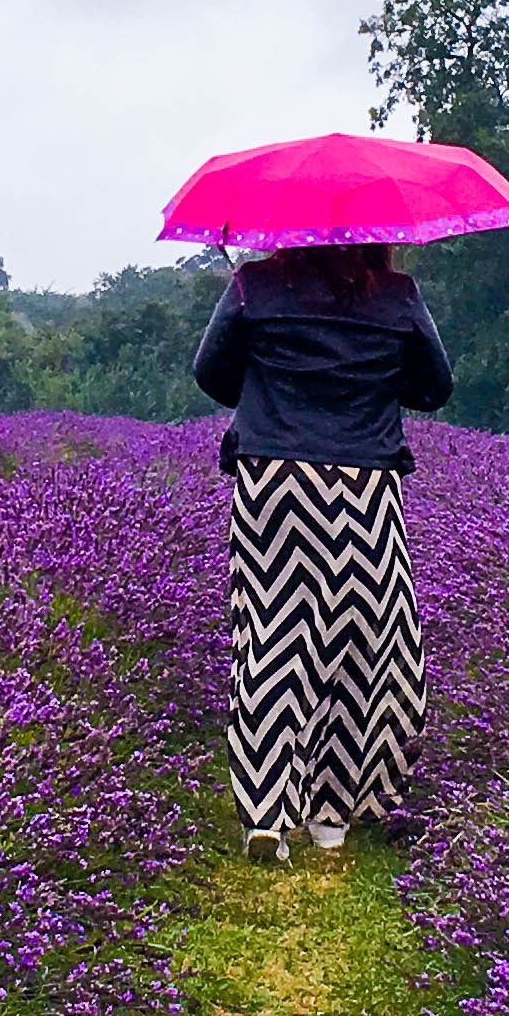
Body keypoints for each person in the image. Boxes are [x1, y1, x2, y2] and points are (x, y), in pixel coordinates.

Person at [190, 242, 452, 862]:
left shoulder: (253, 285)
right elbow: (435, 388)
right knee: (365, 644)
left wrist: (265, 376)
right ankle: (335, 816)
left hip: (273, 479)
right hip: (364, 485)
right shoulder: (398, 296)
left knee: (272, 637)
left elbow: (210, 374)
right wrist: (376, 378)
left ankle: (267, 815)